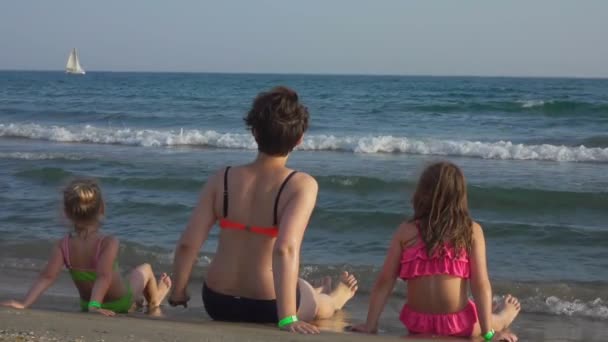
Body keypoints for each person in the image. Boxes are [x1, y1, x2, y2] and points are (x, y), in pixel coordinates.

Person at [169, 86, 358, 334]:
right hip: (269, 305)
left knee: (303, 290)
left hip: (217, 301)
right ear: (300, 138)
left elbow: (188, 244)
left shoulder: (221, 178)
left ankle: (313, 290)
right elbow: (285, 249)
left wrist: (178, 291)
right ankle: (335, 297)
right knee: (319, 305)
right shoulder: (301, 185)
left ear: (254, 131)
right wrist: (288, 318)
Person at [352, 162, 520, 341]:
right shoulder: (470, 231)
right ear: (460, 196)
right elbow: (480, 284)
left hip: (417, 325)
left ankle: (495, 314)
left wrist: (370, 325)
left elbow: (385, 280)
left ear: (421, 194)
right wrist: (488, 335)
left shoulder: (405, 231)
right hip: (459, 326)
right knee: (485, 323)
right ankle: (502, 316)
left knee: (476, 314)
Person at [2, 179, 172, 316]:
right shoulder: (108, 242)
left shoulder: (63, 245)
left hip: (87, 303)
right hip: (115, 302)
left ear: (67, 213)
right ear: (102, 209)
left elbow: (47, 276)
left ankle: (138, 304)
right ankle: (154, 301)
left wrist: (24, 303)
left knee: (122, 277)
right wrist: (94, 306)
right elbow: (103, 276)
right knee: (146, 269)